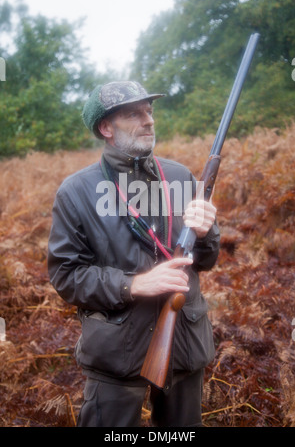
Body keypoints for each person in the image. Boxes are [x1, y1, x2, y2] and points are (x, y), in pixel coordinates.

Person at [47, 81, 220, 427]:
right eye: (133, 113)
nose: (149, 120)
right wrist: (134, 285)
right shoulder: (77, 191)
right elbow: (66, 276)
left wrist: (205, 234)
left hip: (185, 343)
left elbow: (206, 259)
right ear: (106, 127)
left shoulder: (180, 176)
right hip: (116, 353)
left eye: (149, 111)